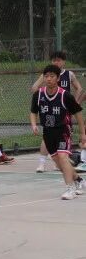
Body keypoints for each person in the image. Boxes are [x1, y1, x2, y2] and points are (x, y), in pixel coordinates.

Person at [30, 64, 85, 200]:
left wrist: (82, 133)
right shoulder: (39, 94)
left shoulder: (65, 95)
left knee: (63, 157)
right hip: (48, 132)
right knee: (60, 163)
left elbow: (78, 113)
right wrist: (34, 124)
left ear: (58, 78)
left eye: (52, 76)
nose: (48, 79)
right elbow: (33, 112)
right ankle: (79, 180)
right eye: (46, 76)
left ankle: (70, 188)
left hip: (63, 131)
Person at [31, 51, 83, 173]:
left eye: (58, 60)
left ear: (63, 62)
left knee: (64, 134)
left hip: (63, 109)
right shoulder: (47, 75)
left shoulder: (69, 74)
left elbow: (79, 89)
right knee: (47, 135)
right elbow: (34, 88)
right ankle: (42, 163)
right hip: (50, 108)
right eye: (54, 60)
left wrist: (75, 102)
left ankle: (60, 163)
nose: (56, 62)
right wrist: (41, 97)